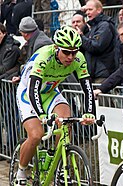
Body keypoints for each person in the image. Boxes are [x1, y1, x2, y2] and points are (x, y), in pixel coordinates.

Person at [15, 26, 96, 185]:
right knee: (36, 135)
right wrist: (42, 115)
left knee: (67, 122)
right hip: (29, 93)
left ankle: (59, 166)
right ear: (57, 48)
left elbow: (87, 88)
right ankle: (21, 171)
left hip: (51, 91)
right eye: (66, 52)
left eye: (74, 52)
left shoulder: (78, 59)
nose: (71, 57)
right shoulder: (45, 56)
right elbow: (33, 89)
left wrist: (89, 112)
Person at [78, 0, 117, 83]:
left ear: (99, 10)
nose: (87, 13)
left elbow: (96, 46)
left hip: (103, 73)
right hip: (94, 73)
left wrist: (81, 37)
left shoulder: (105, 25)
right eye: (86, 10)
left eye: (90, 10)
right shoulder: (92, 26)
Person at [11, 16, 53, 83]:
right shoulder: (36, 40)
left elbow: (34, 66)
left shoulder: (40, 44)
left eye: (20, 32)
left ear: (25, 33)